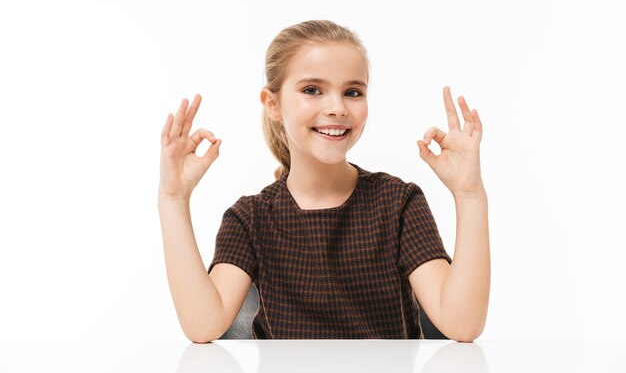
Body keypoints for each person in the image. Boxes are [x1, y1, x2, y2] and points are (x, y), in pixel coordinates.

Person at [159, 20, 490, 342]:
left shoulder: (397, 202)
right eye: (312, 90)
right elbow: (203, 326)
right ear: (272, 104)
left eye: (353, 92)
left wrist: (469, 194)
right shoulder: (250, 219)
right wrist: (173, 199)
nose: (337, 107)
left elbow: (462, 325)